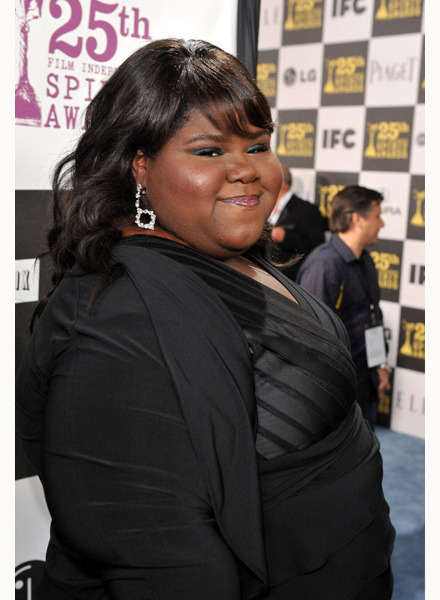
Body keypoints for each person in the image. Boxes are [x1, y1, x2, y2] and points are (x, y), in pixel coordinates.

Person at [16, 39, 394, 600]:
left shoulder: (230, 255)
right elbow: (163, 566)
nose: (246, 170)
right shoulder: (112, 321)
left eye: (258, 145)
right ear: (139, 166)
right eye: (210, 151)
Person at [297, 185, 390, 431]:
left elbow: (373, 316)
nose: (382, 224)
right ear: (358, 219)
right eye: (377, 216)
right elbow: (312, 334)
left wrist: (380, 365)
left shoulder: (366, 260)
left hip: (365, 381)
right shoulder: (324, 264)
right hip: (336, 390)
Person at [268, 163, 326, 280]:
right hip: (263, 277)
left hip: (291, 280)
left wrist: (286, 237)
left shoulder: (307, 210)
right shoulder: (261, 207)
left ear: (278, 181)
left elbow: (317, 246)